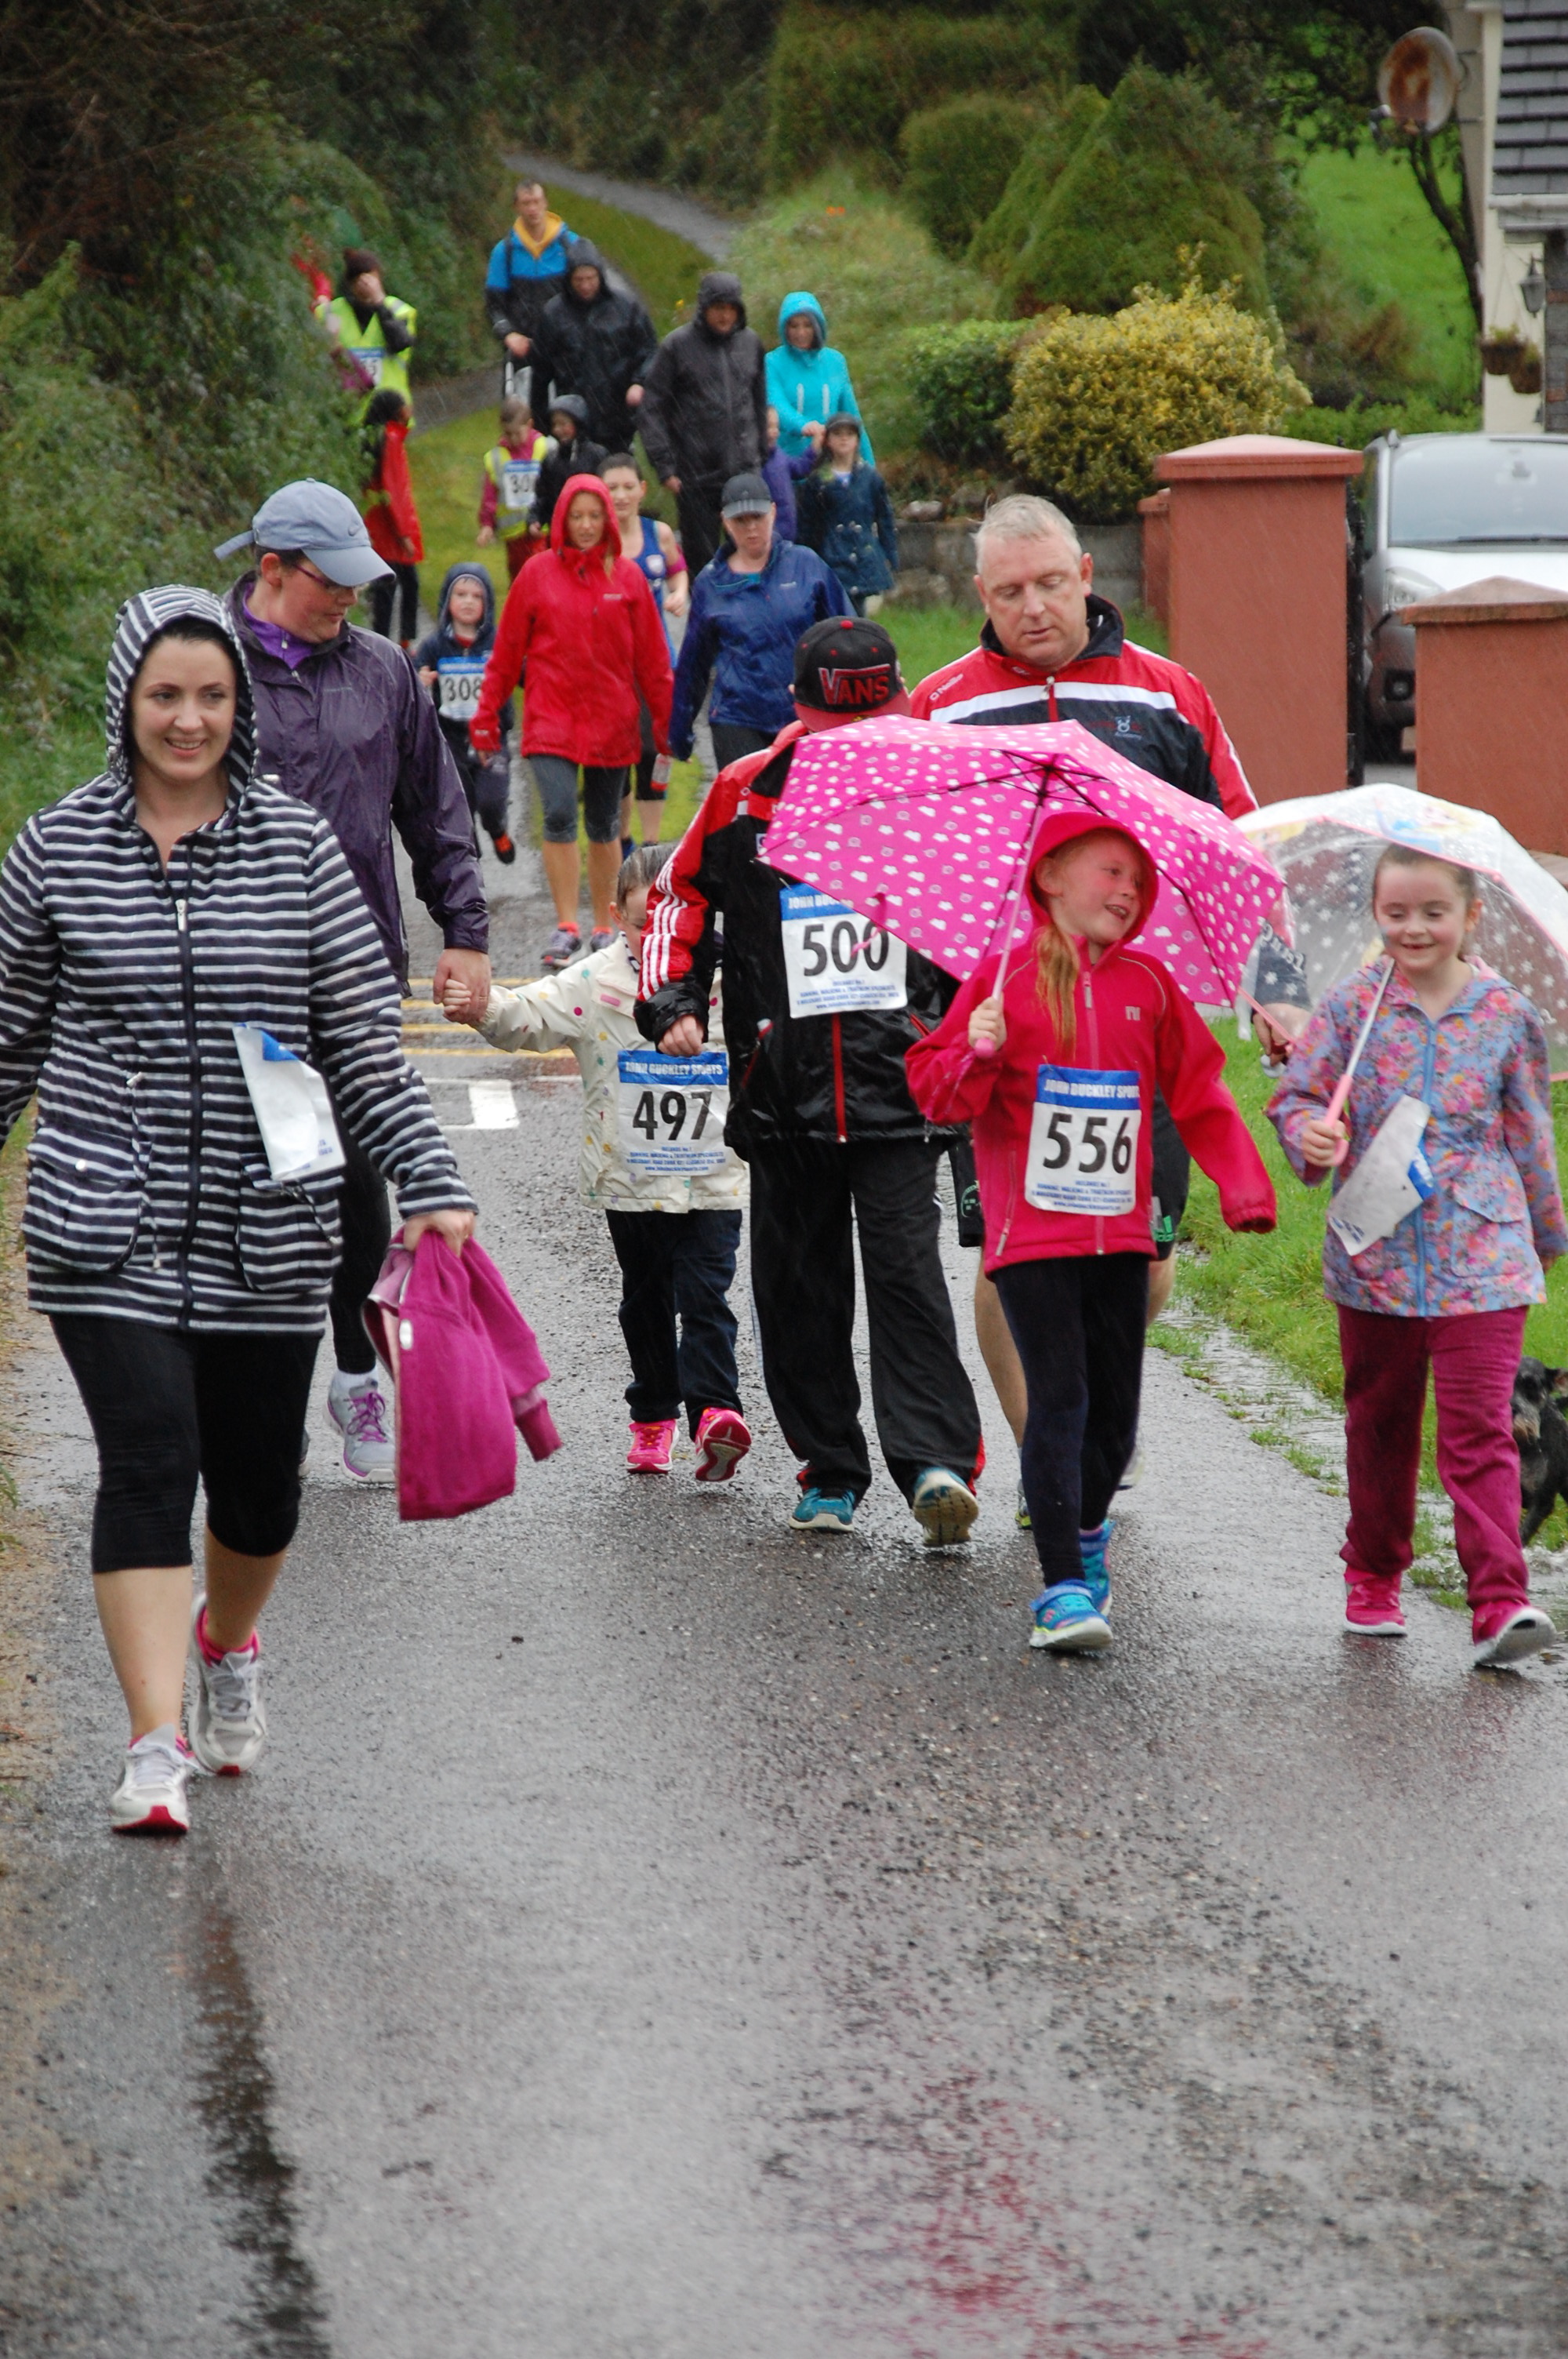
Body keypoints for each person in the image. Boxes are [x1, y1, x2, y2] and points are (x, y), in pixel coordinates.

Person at [0, 586, 477, 1833]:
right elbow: (6, 1041)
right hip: (103, 1219)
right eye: (166, 694)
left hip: (271, 1224)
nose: (189, 719)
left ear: (239, 707)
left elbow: (361, 1047)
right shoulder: (56, 851)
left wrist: (429, 1180)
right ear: (126, 699)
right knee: (149, 1462)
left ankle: (227, 1641)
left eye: (212, 696)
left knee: (260, 1492)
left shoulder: (297, 850)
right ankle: (152, 1746)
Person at [909, 493, 1272, 1495]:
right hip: (1002, 1027)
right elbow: (911, 865)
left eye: (1048, 584)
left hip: (1134, 1027)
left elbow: (1237, 844)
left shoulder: (1167, 694)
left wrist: (1268, 989)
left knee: (1142, 1260)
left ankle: (1088, 1401)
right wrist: (938, 1014)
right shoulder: (942, 706)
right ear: (980, 594)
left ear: (1083, 575)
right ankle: (1052, 1465)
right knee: (1006, 1258)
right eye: (1008, 592)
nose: (1032, 607)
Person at [639, 617, 984, 1545]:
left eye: (878, 723)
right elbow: (678, 895)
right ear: (798, 712)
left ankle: (935, 1464)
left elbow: (984, 914)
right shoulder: (745, 791)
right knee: (797, 1287)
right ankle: (829, 1466)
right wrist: (674, 997)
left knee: (907, 1276)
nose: (861, 744)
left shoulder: (939, 785)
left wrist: (965, 1029)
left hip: (901, 1083)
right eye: (842, 729)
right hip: (780, 1088)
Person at [907, 819, 1275, 1651]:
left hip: (1120, 1237)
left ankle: (1085, 1530)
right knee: (1061, 1398)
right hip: (1032, 1236)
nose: (1128, 891)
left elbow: (1200, 1090)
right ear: (1048, 878)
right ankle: (1062, 1588)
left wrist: (1244, 1183)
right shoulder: (1000, 980)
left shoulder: (1150, 984)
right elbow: (935, 1094)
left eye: (1138, 881)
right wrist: (975, 1052)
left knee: (1115, 1416)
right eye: (1110, 872)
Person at [217, 481, 490, 1481]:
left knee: (354, 1176)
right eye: (330, 581)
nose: (349, 598)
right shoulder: (205, 668)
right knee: (264, 1181)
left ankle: (356, 1372)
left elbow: (434, 804)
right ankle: (267, 1392)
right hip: (239, 973)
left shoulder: (382, 669)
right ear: (272, 569)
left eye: (358, 581)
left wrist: (464, 928)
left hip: (357, 964)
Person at [1269, 846, 1567, 1668]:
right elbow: (1296, 1096)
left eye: (1433, 912)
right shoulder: (1351, 1007)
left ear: (1470, 916)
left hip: (1485, 1253)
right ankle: (1372, 1575)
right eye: (1395, 912)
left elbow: (1530, 1132)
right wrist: (1309, 1134)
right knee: (1380, 1422)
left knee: (1480, 1430)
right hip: (1376, 1254)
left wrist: (1544, 1236)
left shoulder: (1505, 1014)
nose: (1413, 928)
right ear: (1374, 913)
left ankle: (1499, 1601)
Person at [445, 845, 750, 1479]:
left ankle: (715, 1413)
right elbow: (530, 1015)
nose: (659, 935)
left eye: (678, 920)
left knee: (707, 1296)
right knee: (646, 1301)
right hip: (630, 1181)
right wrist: (482, 1005)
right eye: (643, 923)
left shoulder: (736, 978)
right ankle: (653, 1414)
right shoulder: (597, 981)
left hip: (713, 1176)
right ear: (617, 917)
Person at [470, 474, 673, 971]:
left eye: (594, 516)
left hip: (613, 723)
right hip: (551, 719)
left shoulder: (628, 578)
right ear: (561, 519)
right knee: (559, 812)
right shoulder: (537, 573)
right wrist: (486, 716)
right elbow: (506, 653)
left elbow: (653, 662)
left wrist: (667, 728)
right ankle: (566, 926)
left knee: (605, 824)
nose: (585, 526)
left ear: (607, 520)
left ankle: (604, 927)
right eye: (576, 517)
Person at [670, 474, 849, 773]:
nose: (751, 528)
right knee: (747, 802)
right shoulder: (710, 584)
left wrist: (869, 699)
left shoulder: (806, 565)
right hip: (737, 717)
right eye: (741, 521)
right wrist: (680, 731)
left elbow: (849, 635)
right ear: (726, 522)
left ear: (773, 513)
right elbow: (694, 663)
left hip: (804, 713)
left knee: (799, 800)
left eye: (758, 517)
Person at [638, 271, 768, 576]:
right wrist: (665, 466)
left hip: (744, 473)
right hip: (695, 476)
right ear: (704, 308)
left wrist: (760, 452)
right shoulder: (677, 347)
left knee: (751, 557)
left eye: (731, 308)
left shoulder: (751, 344)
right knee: (704, 566)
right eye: (718, 308)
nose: (725, 316)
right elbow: (651, 407)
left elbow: (759, 402)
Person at [599, 453, 689, 850]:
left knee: (656, 749)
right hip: (611, 668)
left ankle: (652, 845)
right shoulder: (596, 541)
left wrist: (679, 593)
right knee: (618, 753)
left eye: (628, 487)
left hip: (657, 663)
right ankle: (623, 841)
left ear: (642, 490)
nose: (620, 496)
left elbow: (677, 571)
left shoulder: (660, 533)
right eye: (612, 488)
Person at [414, 565, 514, 863]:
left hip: (492, 738)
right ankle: (470, 863)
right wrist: (420, 680)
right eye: (460, 594)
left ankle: (497, 829)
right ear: (447, 601)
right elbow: (413, 675)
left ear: (488, 603)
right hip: (451, 740)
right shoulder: (434, 645)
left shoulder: (499, 642)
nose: (468, 601)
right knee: (460, 808)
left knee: (491, 802)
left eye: (476, 596)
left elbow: (522, 671)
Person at [530, 239, 658, 453]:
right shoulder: (554, 314)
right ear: (569, 279)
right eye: (579, 280)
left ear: (601, 276)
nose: (585, 286)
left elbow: (649, 351)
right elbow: (541, 372)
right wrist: (541, 425)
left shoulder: (626, 308)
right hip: (571, 415)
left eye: (591, 278)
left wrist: (639, 382)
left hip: (617, 415)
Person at [796, 413, 898, 616]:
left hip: (862, 555)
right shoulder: (817, 481)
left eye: (850, 434)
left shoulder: (871, 478)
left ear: (857, 441)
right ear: (828, 440)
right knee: (834, 612)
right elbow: (808, 525)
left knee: (860, 616)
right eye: (838, 434)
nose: (844, 439)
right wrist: (806, 560)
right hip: (831, 556)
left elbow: (885, 519)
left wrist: (890, 555)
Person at [485, 180, 575, 401]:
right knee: (520, 416)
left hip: (565, 350)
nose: (533, 209)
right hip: (523, 352)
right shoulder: (504, 252)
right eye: (526, 203)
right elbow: (493, 306)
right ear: (517, 207)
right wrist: (509, 335)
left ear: (546, 203)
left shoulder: (571, 246)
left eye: (537, 202)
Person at [765, 293, 872, 462]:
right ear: (785, 328)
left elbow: (851, 414)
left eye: (808, 325)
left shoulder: (835, 361)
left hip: (829, 461)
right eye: (794, 326)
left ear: (817, 327)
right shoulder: (773, 362)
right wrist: (803, 425)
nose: (801, 333)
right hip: (789, 462)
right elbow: (775, 403)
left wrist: (868, 464)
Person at [316, 248, 416, 416]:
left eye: (370, 280)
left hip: (391, 413)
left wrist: (379, 302)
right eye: (359, 281)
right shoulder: (329, 313)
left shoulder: (399, 310)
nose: (366, 286)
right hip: (347, 414)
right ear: (350, 284)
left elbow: (400, 343)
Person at [361, 387, 423, 649]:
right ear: (397, 411)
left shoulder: (378, 438)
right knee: (403, 587)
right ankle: (397, 644)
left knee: (388, 590)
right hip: (392, 534)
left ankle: (385, 642)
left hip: (380, 530)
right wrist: (404, 534)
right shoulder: (392, 440)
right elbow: (395, 492)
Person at [477, 395, 553, 581]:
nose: (512, 439)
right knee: (518, 578)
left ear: (530, 425)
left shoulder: (546, 448)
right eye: (507, 434)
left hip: (541, 529)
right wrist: (487, 524)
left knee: (541, 574)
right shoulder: (496, 458)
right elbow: (490, 496)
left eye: (517, 433)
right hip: (513, 535)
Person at [535, 396, 608, 538]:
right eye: (555, 425)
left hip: (592, 528)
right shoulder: (552, 459)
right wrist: (536, 518)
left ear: (578, 423)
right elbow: (543, 495)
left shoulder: (596, 455)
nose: (558, 430)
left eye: (563, 424)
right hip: (559, 531)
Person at [761, 405, 817, 544]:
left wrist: (815, 446)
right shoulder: (755, 462)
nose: (775, 432)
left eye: (777, 427)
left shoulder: (778, 455)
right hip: (769, 538)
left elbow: (799, 469)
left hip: (789, 533)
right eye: (769, 427)